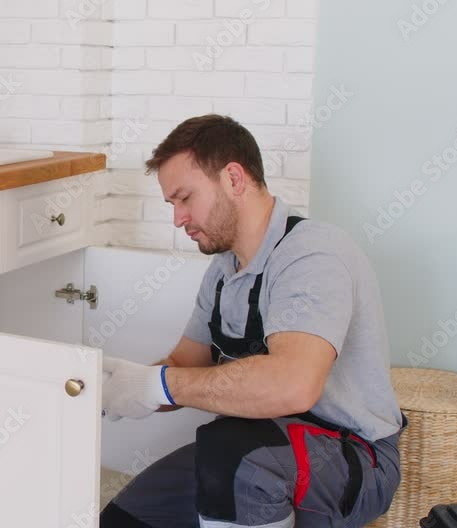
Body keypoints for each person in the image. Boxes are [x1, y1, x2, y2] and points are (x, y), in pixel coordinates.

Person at [99, 115, 406, 528]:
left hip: (352, 454)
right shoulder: (224, 271)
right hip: (254, 445)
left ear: (233, 179)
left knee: (231, 456)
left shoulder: (313, 254)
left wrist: (159, 386)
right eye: (172, 204)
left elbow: (293, 385)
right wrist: (118, 388)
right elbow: (187, 363)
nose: (178, 219)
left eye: (185, 198)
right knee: (124, 519)